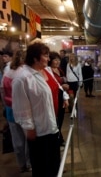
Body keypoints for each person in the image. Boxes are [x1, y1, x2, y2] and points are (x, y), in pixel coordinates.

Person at [12, 42, 61, 177]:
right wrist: (30, 129)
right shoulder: (22, 78)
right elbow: (21, 108)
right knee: (42, 168)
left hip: (51, 127)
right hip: (39, 132)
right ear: (35, 58)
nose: (49, 59)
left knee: (54, 165)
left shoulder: (44, 71)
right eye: (45, 55)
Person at [0, 49, 31, 173]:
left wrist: (6, 104)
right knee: (28, 139)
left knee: (17, 140)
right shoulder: (26, 73)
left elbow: (2, 90)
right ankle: (29, 163)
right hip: (25, 110)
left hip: (10, 109)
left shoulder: (7, 72)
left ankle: (21, 164)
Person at [47, 51, 70, 146]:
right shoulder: (48, 71)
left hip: (62, 96)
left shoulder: (60, 70)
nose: (57, 61)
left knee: (60, 118)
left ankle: (59, 137)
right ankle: (58, 139)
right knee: (55, 120)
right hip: (54, 97)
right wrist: (62, 86)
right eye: (54, 60)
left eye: (58, 59)